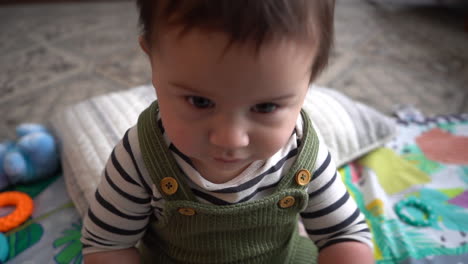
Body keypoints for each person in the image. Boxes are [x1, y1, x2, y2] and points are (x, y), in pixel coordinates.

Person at [81, 0, 374, 263]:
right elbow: (107, 243)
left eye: (265, 107)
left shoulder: (301, 156)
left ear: (309, 80)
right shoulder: (140, 155)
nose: (230, 139)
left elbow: (344, 234)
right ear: (153, 62)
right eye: (200, 102)